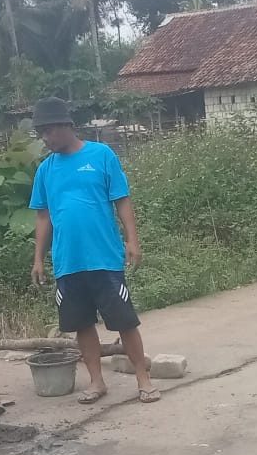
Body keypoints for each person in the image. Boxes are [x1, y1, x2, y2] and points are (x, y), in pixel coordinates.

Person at [27, 97, 159, 404]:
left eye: (49, 131)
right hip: (68, 262)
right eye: (41, 133)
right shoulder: (45, 171)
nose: (45, 139)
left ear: (66, 126)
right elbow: (43, 216)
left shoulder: (101, 155)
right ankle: (97, 382)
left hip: (105, 257)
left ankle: (144, 379)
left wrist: (132, 241)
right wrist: (38, 259)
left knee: (124, 321)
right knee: (81, 325)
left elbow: (122, 199)